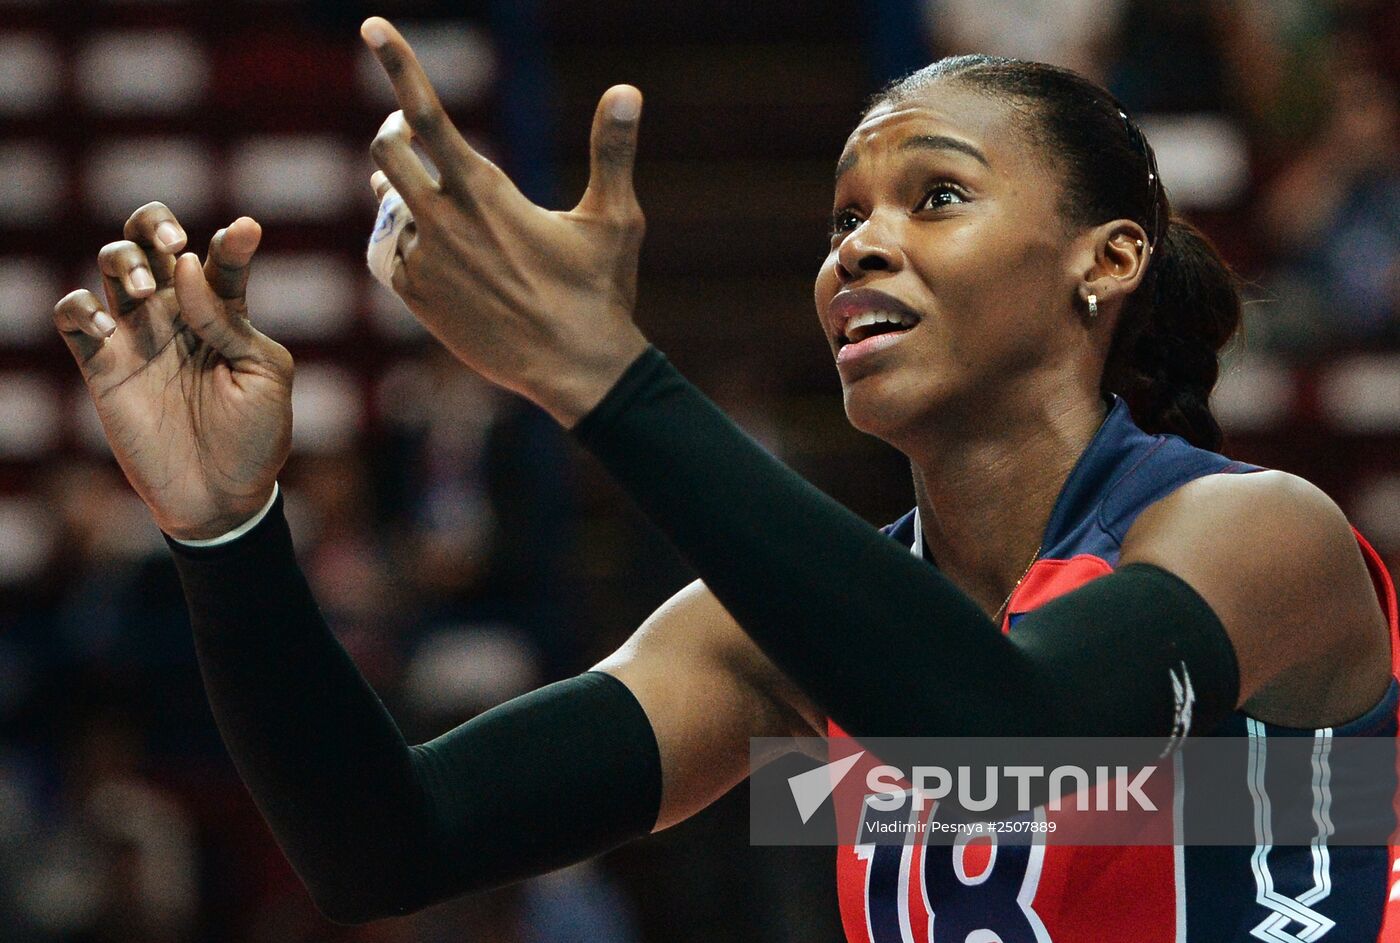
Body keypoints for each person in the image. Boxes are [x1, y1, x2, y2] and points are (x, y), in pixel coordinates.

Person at [51, 15, 1397, 942]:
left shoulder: (1258, 537)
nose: (860, 245)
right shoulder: (776, 641)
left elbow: (1013, 730)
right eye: (844, 218)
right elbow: (385, 845)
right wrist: (225, 533)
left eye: (934, 196)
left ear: (1106, 259)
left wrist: (603, 376)